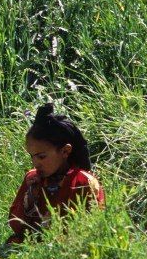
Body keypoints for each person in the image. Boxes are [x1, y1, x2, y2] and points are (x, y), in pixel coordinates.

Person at [6, 103, 105, 245]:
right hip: (33, 249)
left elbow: (93, 229)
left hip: (69, 251)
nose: (36, 163)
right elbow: (16, 226)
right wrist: (31, 196)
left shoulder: (83, 183)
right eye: (32, 157)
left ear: (65, 151)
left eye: (41, 157)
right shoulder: (32, 179)